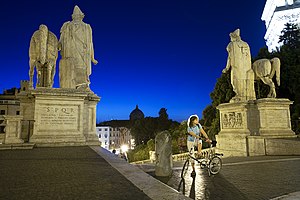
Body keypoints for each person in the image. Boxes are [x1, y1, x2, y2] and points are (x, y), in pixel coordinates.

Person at [58, 5, 98, 90]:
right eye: (74, 16)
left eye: (78, 16)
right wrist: (59, 45)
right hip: (70, 51)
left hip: (83, 52)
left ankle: (83, 86)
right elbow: (62, 38)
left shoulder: (87, 27)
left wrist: (92, 57)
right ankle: (70, 86)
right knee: (71, 68)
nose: (76, 17)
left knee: (81, 68)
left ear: (81, 16)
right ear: (72, 16)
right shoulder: (67, 25)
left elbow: (90, 43)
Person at [222, 29, 256, 102]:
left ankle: (239, 95)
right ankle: (247, 96)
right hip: (246, 67)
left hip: (236, 67)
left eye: (231, 37)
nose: (230, 38)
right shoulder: (246, 44)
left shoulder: (231, 45)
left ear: (234, 37)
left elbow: (230, 57)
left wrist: (227, 68)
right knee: (245, 80)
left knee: (234, 81)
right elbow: (248, 56)